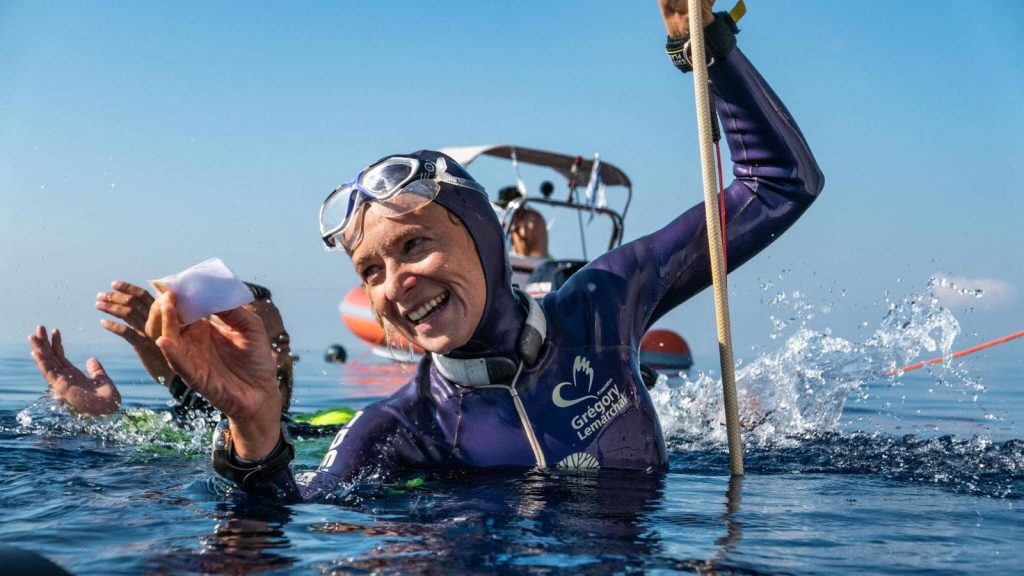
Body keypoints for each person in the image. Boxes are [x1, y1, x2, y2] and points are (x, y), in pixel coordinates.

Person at [146, 0, 823, 501]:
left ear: (484, 239)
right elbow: (283, 523)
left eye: (414, 245)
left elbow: (780, 183)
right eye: (370, 271)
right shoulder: (400, 427)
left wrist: (709, 46)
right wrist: (256, 430)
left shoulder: (602, 306)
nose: (395, 282)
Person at [27, 281, 336, 432]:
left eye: (280, 343)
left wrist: (174, 377)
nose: (271, 358)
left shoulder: (330, 428)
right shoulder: (169, 428)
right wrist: (99, 420)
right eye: (247, 343)